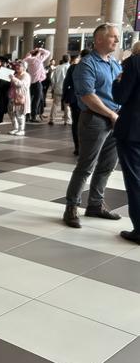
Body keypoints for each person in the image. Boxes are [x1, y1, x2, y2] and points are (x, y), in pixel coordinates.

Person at [63, 24, 122, 229]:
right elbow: (88, 96)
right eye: (113, 37)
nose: (117, 40)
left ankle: (95, 205)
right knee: (86, 166)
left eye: (117, 37)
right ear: (98, 40)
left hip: (115, 119)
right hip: (95, 120)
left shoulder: (114, 64)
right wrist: (111, 114)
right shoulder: (86, 65)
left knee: (107, 166)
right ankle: (71, 207)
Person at [113, 49, 140, 244]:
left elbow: (121, 97)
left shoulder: (134, 63)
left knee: (135, 180)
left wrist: (116, 82)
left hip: (133, 130)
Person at [62, 51, 87, 155]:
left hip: (75, 99)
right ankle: (85, 146)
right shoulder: (92, 66)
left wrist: (65, 98)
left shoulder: (73, 67)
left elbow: (66, 83)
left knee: (76, 123)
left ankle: (77, 146)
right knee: (87, 123)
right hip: (88, 100)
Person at [23, 47, 51, 122]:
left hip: (29, 83)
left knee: (29, 100)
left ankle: (27, 116)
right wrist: (39, 49)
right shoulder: (39, 60)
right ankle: (33, 117)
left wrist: (31, 52)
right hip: (37, 83)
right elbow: (48, 52)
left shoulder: (28, 60)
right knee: (36, 100)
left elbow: (25, 58)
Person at [8, 60, 31, 136]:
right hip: (12, 96)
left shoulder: (26, 75)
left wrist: (13, 78)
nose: (17, 67)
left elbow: (21, 84)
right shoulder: (15, 74)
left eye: (19, 66)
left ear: (24, 68)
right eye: (16, 65)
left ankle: (21, 129)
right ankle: (15, 128)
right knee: (12, 113)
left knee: (20, 114)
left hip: (20, 97)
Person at [49, 54, 71, 126]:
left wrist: (53, 87)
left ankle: (52, 119)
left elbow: (53, 79)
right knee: (67, 105)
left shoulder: (57, 68)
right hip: (67, 89)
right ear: (69, 59)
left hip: (58, 88)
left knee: (55, 104)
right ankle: (67, 120)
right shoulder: (70, 67)